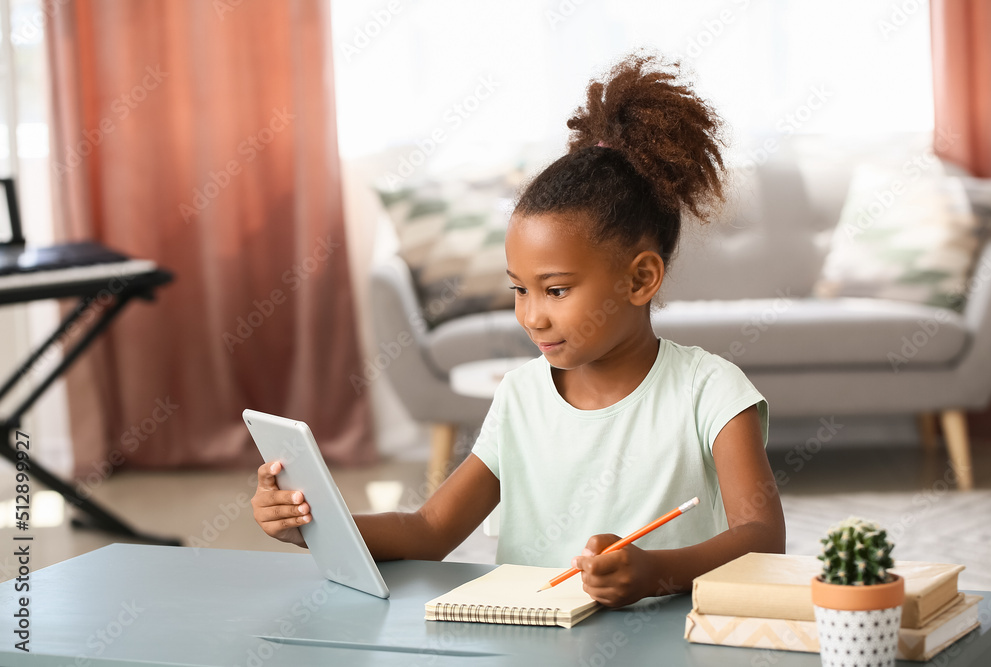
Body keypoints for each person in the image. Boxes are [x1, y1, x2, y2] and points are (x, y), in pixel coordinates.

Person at [253, 53, 785, 609]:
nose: (531, 315)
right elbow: (431, 529)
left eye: (555, 290)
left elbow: (763, 537)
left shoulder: (712, 392)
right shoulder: (520, 396)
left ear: (641, 278)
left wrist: (658, 572)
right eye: (519, 289)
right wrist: (310, 524)